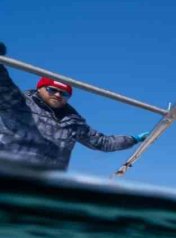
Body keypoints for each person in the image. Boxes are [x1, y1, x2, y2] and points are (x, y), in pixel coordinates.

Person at [0, 43, 148, 171]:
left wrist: (134, 139)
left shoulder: (72, 122)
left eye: (64, 94)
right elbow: (3, 86)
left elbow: (102, 143)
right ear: (40, 88)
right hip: (9, 174)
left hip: (46, 184)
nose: (58, 95)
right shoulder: (18, 103)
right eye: (52, 90)